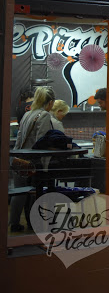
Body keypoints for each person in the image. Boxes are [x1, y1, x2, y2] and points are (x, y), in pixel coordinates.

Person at [9, 86, 56, 232]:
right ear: (50, 102)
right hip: (33, 162)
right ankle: (34, 224)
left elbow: (19, 139)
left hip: (21, 158)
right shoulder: (44, 115)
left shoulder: (28, 114)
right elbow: (41, 142)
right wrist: (45, 166)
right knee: (34, 193)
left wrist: (16, 156)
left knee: (20, 192)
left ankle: (14, 223)